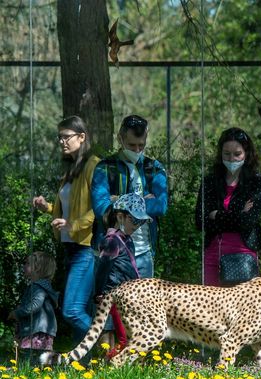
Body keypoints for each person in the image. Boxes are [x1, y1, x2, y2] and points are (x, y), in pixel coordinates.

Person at [32, 115, 100, 342]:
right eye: (59, 137)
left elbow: (99, 209)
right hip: (70, 246)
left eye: (66, 137)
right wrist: (47, 208)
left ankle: (106, 344)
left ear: (82, 137)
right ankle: (84, 362)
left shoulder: (94, 165)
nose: (62, 141)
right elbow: (67, 211)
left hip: (86, 247)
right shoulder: (70, 170)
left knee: (71, 310)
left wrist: (72, 225)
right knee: (82, 309)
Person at [91, 114, 168, 278]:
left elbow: (161, 206)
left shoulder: (154, 168)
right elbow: (101, 208)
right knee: (106, 303)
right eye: (132, 145)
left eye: (142, 145)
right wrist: (144, 200)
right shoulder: (104, 168)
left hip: (144, 252)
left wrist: (117, 200)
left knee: (144, 304)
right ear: (120, 138)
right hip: (110, 252)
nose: (137, 150)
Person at [195, 127, 261, 286]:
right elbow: (200, 221)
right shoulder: (210, 181)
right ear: (220, 154)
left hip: (243, 257)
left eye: (237, 154)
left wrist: (217, 215)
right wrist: (239, 214)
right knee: (210, 307)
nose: (232, 158)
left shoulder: (256, 182)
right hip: (212, 255)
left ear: (246, 154)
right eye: (227, 154)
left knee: (243, 309)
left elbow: (248, 221)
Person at [94, 193, 151, 351]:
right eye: (134, 220)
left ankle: (118, 368)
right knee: (108, 333)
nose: (138, 225)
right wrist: (99, 292)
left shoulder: (127, 240)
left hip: (126, 298)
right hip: (111, 296)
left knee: (125, 337)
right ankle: (105, 366)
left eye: (142, 221)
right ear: (120, 217)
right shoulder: (112, 241)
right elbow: (102, 268)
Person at [9, 252, 59, 364]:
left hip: (36, 330)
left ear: (37, 268)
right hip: (43, 329)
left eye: (27, 263)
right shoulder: (43, 287)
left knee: (28, 357)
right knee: (43, 358)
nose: (23, 266)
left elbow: (35, 305)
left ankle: (27, 372)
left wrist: (18, 313)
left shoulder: (37, 287)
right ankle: (41, 373)